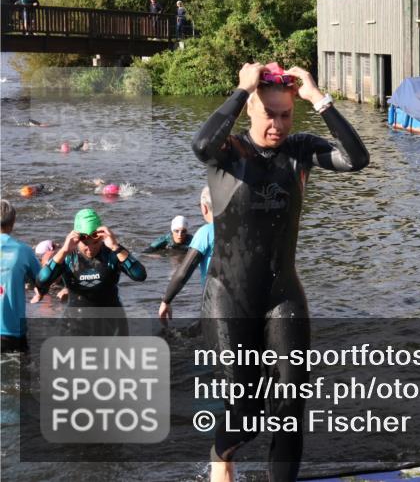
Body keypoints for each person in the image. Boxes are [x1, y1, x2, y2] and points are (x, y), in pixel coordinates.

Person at [185, 61, 368, 482]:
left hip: (282, 294)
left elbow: (357, 159)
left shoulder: (300, 150)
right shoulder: (226, 152)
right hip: (229, 296)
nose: (279, 124)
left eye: (286, 114)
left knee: (289, 410)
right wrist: (239, 89)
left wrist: (319, 99)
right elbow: (199, 145)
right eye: (270, 113)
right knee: (246, 413)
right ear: (250, 109)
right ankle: (221, 457)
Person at [35, 208, 146, 336]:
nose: (90, 248)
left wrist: (116, 246)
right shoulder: (67, 256)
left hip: (112, 326)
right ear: (77, 239)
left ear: (101, 238)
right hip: (75, 326)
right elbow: (41, 281)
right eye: (85, 243)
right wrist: (64, 250)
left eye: (95, 242)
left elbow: (140, 275)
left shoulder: (112, 253)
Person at [159, 187, 214, 319]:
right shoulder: (243, 228)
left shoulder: (205, 232)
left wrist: (166, 300)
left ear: (204, 208)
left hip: (215, 300)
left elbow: (184, 271)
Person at [0, 200, 41, 353]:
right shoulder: (23, 251)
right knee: (21, 375)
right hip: (12, 332)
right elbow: (42, 281)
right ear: (13, 221)